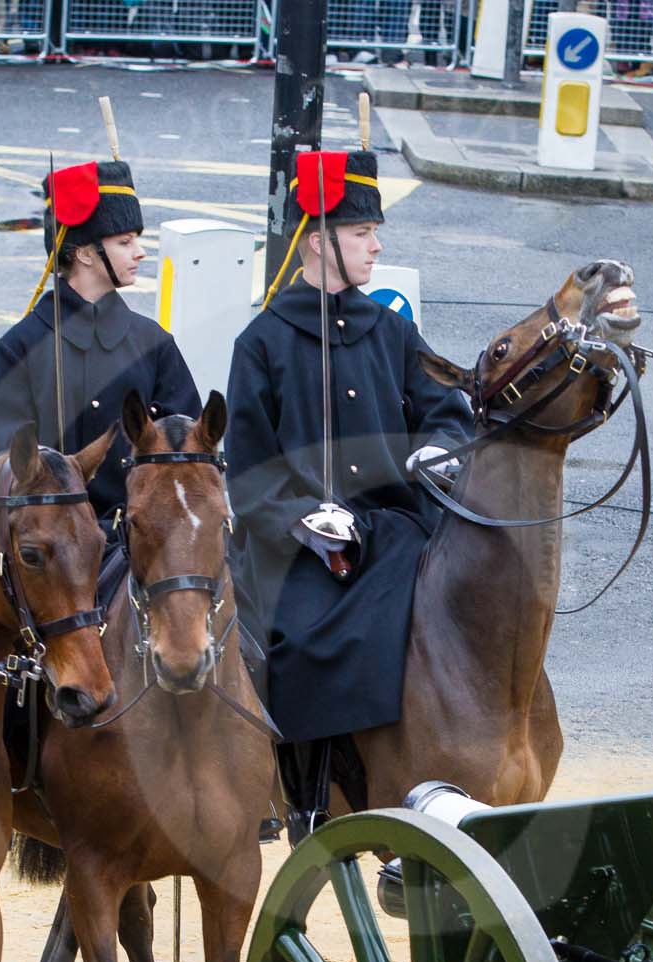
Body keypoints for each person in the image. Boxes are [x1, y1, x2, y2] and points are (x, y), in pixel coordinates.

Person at [224, 147, 475, 836]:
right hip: (303, 546)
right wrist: (303, 518)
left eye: (373, 231)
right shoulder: (262, 344)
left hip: (395, 527)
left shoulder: (391, 328)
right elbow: (248, 473)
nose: (376, 243)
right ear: (318, 241)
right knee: (301, 636)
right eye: (363, 231)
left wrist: (435, 447)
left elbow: (447, 410)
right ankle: (308, 792)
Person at [0, 158, 199, 531]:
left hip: (141, 547)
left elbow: (189, 453)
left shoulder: (154, 343)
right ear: (84, 252)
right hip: (49, 552)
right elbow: (2, 467)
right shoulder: (20, 346)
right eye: (124, 242)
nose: (140, 252)